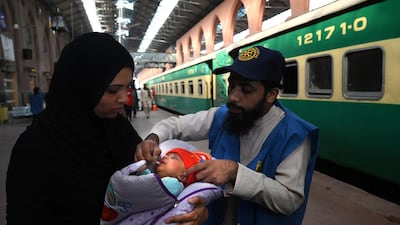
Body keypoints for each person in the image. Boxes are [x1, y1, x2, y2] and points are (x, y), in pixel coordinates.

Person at [6, 32, 207, 225]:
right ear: (82, 86)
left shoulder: (120, 131)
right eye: (112, 90)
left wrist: (191, 208)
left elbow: (154, 191)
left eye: (127, 88)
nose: (124, 98)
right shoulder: (34, 148)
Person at [135, 46, 319, 225]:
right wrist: (153, 138)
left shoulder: (294, 135)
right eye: (232, 86)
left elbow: (289, 200)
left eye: (246, 90)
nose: (233, 97)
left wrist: (234, 172)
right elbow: (175, 125)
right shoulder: (223, 116)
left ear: (271, 94)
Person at [101, 146, 221, 225]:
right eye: (167, 155)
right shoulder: (156, 177)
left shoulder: (174, 185)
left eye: (174, 158)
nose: (166, 157)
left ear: (183, 176)